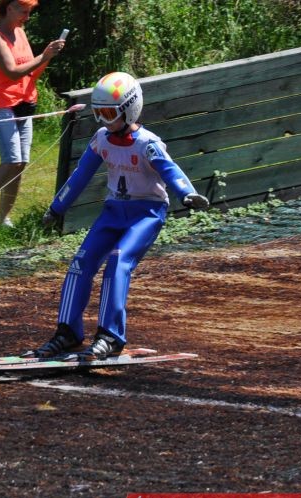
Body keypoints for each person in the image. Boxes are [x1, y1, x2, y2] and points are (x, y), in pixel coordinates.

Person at [29, 71, 209, 360]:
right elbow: (80, 175)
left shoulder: (147, 143)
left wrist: (186, 193)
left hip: (146, 213)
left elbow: (169, 170)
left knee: (118, 261)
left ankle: (110, 336)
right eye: (98, 113)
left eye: (109, 114)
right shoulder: (102, 139)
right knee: (80, 263)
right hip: (113, 211)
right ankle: (67, 332)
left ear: (129, 109)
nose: (104, 121)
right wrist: (57, 207)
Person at [0, 0, 66, 234]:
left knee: (20, 164)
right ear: (9, 7)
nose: (26, 17)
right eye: (23, 11)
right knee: (10, 160)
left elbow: (31, 72)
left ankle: (4, 220)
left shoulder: (20, 33)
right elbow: (12, 72)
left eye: (29, 12)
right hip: (1, 104)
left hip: (24, 103)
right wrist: (43, 55)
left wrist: (48, 57)